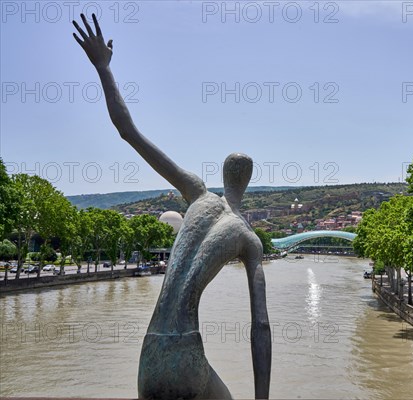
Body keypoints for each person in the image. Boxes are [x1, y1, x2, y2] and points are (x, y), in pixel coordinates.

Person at [72, 14, 271, 399]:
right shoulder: (248, 238)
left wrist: (103, 68)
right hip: (185, 354)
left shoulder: (196, 192)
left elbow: (127, 130)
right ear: (246, 183)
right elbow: (259, 327)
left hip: (149, 355)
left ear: (222, 175)